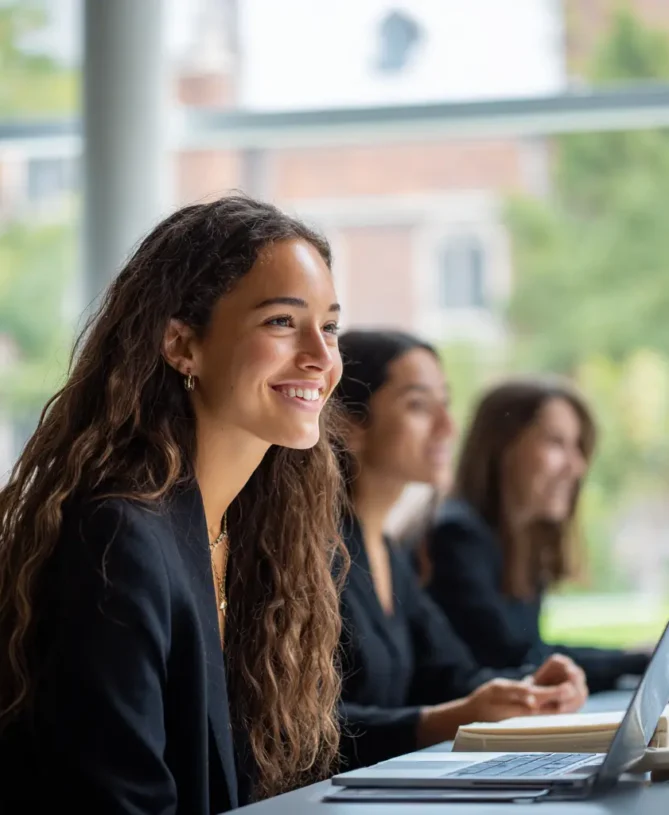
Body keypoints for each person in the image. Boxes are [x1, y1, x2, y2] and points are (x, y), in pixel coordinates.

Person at [0, 195, 348, 813]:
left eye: (329, 327)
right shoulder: (117, 538)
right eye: (281, 323)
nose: (321, 358)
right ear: (182, 345)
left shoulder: (249, 532)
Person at [335, 330, 587, 771]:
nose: (448, 427)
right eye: (418, 405)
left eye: (445, 404)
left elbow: (454, 675)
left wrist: (531, 688)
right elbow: (300, 732)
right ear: (348, 424)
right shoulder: (313, 555)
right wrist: (446, 719)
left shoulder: (386, 552)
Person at [425, 379, 650, 694]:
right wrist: (635, 660)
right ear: (503, 446)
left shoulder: (520, 542)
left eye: (578, 446)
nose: (577, 466)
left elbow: (533, 647)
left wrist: (635, 657)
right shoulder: (456, 537)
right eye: (557, 443)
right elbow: (514, 659)